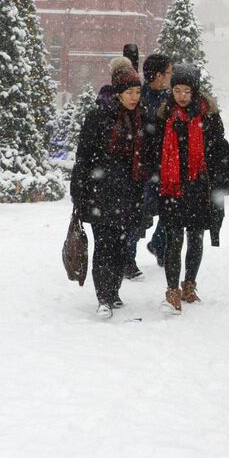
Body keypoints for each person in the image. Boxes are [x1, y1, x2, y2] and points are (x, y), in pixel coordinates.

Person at [146, 64, 229, 312]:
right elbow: (154, 153)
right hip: (172, 188)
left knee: (195, 238)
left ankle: (189, 285)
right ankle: (172, 291)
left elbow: (219, 152)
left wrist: (218, 182)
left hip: (199, 187)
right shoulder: (164, 116)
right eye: (177, 90)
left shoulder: (209, 116)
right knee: (173, 239)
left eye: (186, 91)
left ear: (195, 91)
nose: (182, 96)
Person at [72, 62, 145, 318]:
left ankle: (113, 292)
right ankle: (103, 296)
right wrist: (79, 194)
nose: (135, 98)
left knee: (120, 246)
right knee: (104, 245)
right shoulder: (99, 117)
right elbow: (83, 159)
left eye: (138, 92)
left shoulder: (139, 119)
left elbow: (144, 159)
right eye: (130, 93)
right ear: (118, 93)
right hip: (99, 193)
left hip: (127, 194)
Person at [137, 53, 173, 270]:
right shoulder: (140, 98)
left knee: (170, 210)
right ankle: (128, 258)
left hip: (165, 165)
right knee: (139, 214)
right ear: (158, 75)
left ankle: (160, 244)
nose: (171, 77)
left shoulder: (169, 98)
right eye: (168, 73)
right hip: (145, 166)